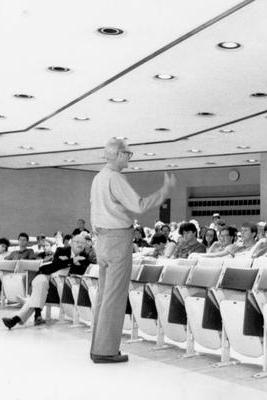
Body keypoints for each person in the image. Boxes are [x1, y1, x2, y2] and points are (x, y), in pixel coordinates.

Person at [89, 137, 176, 364]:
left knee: (104, 294)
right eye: (128, 153)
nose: (129, 157)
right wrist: (164, 192)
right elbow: (138, 205)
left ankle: (97, 346)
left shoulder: (98, 178)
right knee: (115, 296)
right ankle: (106, 351)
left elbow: (93, 210)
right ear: (117, 154)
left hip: (102, 239)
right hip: (118, 238)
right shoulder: (115, 178)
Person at [1, 235, 91, 329]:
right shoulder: (61, 250)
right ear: (71, 243)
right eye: (77, 242)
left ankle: (17, 319)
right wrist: (73, 260)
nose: (80, 245)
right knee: (41, 283)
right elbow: (57, 263)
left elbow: (79, 271)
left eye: (82, 243)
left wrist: (67, 261)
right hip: (45, 274)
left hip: (58, 284)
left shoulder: (85, 257)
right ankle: (36, 314)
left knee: (36, 294)